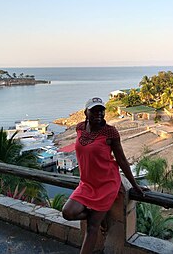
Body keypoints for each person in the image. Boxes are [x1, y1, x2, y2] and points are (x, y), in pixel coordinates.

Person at [62, 97, 148, 254]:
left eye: (101, 110)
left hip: (106, 184)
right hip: (86, 184)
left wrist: (134, 185)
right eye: (94, 110)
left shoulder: (110, 132)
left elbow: (121, 160)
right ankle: (97, 217)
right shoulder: (80, 128)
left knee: (92, 228)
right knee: (67, 212)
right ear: (85, 113)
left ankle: (96, 220)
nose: (98, 113)